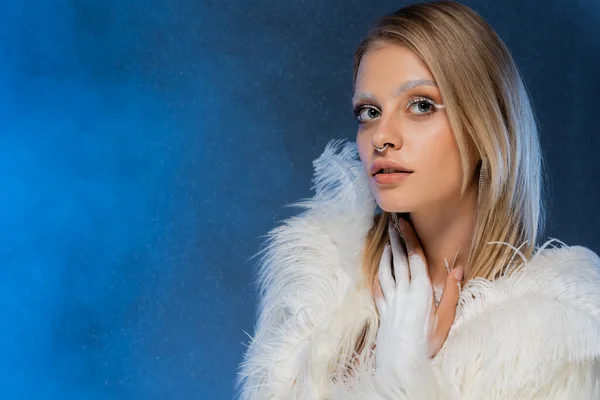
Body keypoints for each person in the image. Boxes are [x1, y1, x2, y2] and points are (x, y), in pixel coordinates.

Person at [236, 1, 600, 399]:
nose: (381, 136)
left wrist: (403, 376)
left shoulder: (560, 330)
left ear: (486, 126)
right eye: (369, 112)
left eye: (421, 105)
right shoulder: (319, 291)